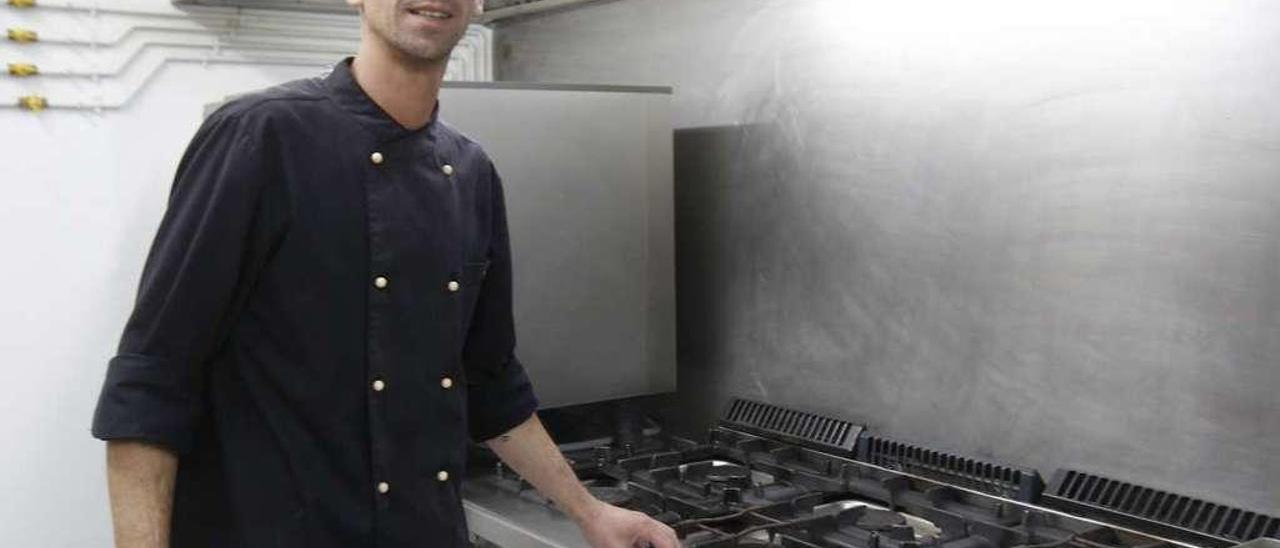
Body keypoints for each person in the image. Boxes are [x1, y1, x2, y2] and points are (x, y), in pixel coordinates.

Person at [88, 0, 680, 546]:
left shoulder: (471, 172)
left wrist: (591, 513)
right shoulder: (262, 134)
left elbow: (491, 383)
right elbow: (154, 378)